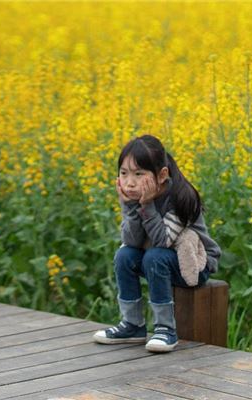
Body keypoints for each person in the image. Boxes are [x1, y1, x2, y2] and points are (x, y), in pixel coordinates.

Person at [93, 135, 221, 352]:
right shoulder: (135, 195)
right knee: (124, 255)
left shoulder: (181, 198)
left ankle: (165, 329)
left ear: (162, 175)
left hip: (195, 265)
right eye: (124, 174)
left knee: (155, 256)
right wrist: (131, 207)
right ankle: (132, 325)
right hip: (162, 261)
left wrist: (147, 205)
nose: (130, 182)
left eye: (139, 174)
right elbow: (131, 240)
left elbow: (162, 241)